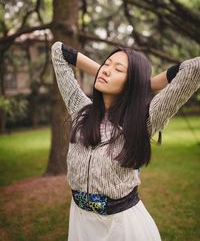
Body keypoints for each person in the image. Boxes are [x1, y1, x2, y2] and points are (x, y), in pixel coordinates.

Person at [51, 41, 200, 241]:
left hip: (123, 227)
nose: (106, 70)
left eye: (118, 69)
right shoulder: (80, 110)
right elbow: (58, 51)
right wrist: (107, 73)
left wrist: (142, 85)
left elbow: (194, 68)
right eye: (107, 63)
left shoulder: (143, 120)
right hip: (81, 223)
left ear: (131, 81)